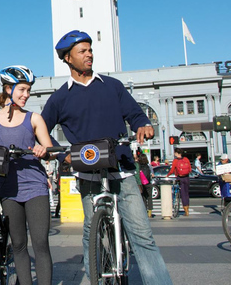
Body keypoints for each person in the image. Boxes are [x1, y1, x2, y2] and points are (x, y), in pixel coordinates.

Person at [41, 30, 172, 285]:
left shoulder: (112, 86)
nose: (89, 54)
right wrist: (61, 156)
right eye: (82, 51)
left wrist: (143, 124)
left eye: (90, 50)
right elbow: (41, 130)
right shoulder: (60, 98)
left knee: (142, 235)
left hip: (122, 170)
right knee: (91, 233)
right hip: (87, 172)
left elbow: (135, 113)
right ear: (68, 58)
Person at [0, 65, 55, 285]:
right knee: (19, 243)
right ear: (8, 88)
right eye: (22, 89)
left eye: (28, 90)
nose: (26, 95)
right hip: (8, 188)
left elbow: (49, 151)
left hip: (35, 186)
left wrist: (44, 151)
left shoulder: (34, 119)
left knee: (40, 242)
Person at [167, 148, 191, 217]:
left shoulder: (175, 160)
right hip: (186, 177)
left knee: (182, 193)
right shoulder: (186, 159)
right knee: (186, 193)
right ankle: (187, 209)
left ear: (177, 153)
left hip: (180, 178)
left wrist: (167, 175)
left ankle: (185, 210)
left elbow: (172, 170)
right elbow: (190, 169)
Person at [138, 153, 154, 218]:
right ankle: (150, 213)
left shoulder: (138, 166)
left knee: (143, 198)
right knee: (149, 197)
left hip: (141, 184)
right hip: (148, 183)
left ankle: (144, 211)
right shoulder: (149, 166)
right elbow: (152, 174)